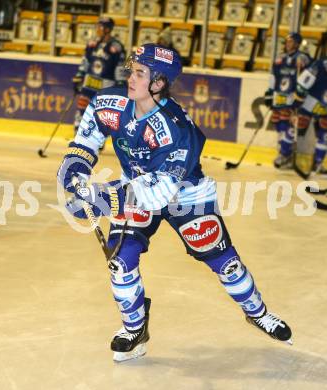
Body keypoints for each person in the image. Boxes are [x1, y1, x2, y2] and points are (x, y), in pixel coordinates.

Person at [58, 43, 292, 362]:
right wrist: (76, 169)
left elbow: (157, 193)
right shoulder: (108, 101)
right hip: (134, 185)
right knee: (120, 262)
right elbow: (86, 139)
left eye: (140, 72)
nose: (131, 76)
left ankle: (258, 312)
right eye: (132, 69)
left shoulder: (178, 129)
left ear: (158, 83)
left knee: (226, 262)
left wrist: (99, 197)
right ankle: (135, 329)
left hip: (185, 193)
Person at [264, 32, 311, 169]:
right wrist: (269, 92)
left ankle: (285, 153)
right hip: (279, 96)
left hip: (292, 97)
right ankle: (284, 153)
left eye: (291, 41)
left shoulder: (302, 58)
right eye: (287, 41)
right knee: (279, 124)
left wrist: (301, 93)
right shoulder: (280, 58)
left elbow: (307, 77)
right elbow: (274, 76)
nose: (288, 44)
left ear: (297, 43)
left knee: (289, 125)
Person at [72, 16, 126, 134]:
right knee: (82, 108)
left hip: (106, 85)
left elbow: (120, 67)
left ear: (107, 29)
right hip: (89, 82)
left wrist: (120, 84)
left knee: (102, 113)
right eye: (97, 26)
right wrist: (79, 76)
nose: (97, 29)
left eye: (100, 26)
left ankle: (97, 138)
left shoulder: (116, 47)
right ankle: (78, 133)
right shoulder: (92, 44)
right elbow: (85, 61)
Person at [293, 57, 327, 174]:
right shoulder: (318, 64)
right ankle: (291, 156)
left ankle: (317, 163)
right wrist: (299, 96)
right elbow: (303, 82)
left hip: (322, 104)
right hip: (311, 102)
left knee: (325, 134)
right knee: (300, 128)